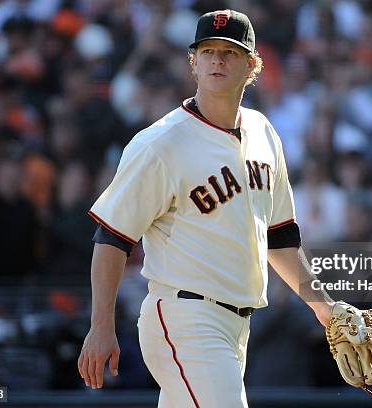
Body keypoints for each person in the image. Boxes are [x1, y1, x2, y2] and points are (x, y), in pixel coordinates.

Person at [77, 10, 336, 407]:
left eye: (229, 52)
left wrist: (325, 308)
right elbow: (112, 236)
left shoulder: (264, 133)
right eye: (208, 51)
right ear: (193, 61)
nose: (217, 60)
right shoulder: (160, 143)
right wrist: (100, 326)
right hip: (185, 317)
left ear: (252, 64)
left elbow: (280, 237)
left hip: (238, 324)